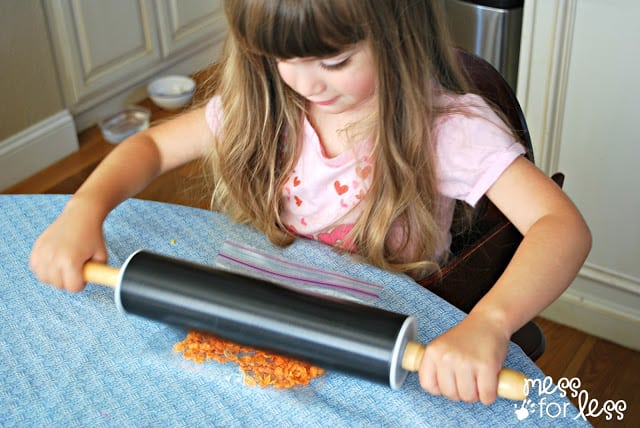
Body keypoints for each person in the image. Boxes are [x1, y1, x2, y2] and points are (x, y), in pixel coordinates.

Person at [30, 0, 591, 405]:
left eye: (336, 61)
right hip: (276, 303)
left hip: (387, 328)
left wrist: (491, 324)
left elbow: (559, 225)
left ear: (398, 34)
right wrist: (84, 209)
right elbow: (151, 146)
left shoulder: (445, 129)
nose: (307, 83)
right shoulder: (269, 104)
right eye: (283, 58)